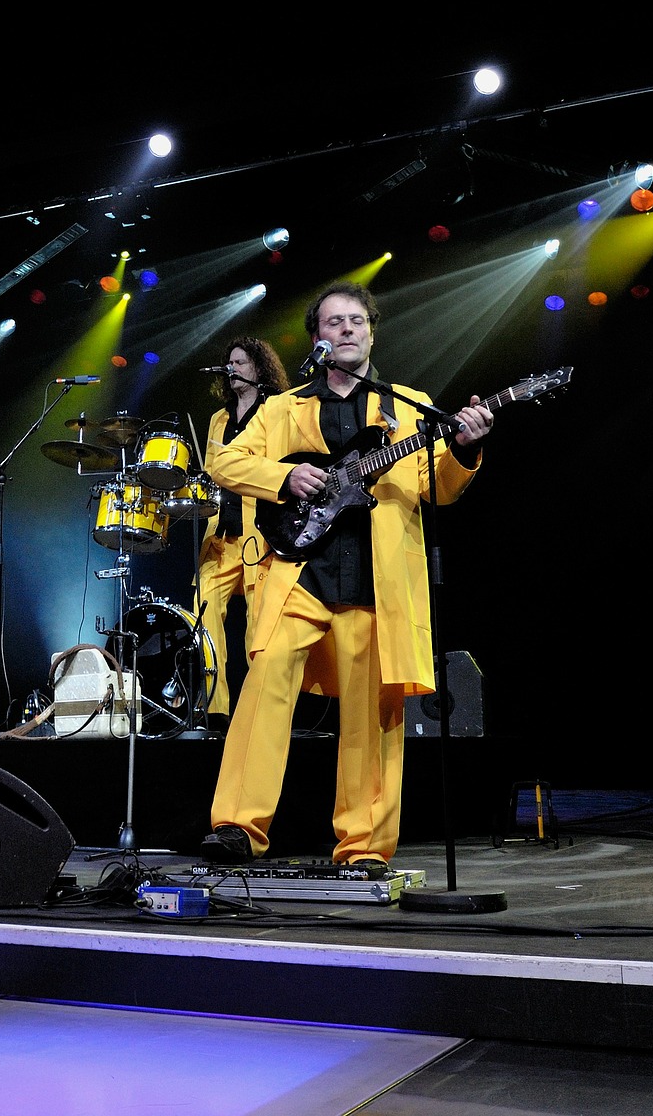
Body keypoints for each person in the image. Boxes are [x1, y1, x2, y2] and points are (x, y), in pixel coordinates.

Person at [200, 281, 495, 869]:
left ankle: (363, 847)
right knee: (264, 685)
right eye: (334, 322)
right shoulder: (283, 408)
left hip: (374, 581)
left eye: (357, 320)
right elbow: (223, 461)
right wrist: (283, 479)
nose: (347, 329)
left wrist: (463, 448)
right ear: (318, 337)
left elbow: (436, 487)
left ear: (371, 333)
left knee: (371, 718)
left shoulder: (408, 406)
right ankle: (237, 826)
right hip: (297, 572)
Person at [195, 335, 289, 732]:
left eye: (240, 362)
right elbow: (212, 471)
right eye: (229, 363)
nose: (232, 369)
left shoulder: (277, 409)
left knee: (258, 627)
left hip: (259, 535)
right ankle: (215, 708)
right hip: (221, 537)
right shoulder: (219, 419)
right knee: (202, 610)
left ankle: (257, 712)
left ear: (259, 368)